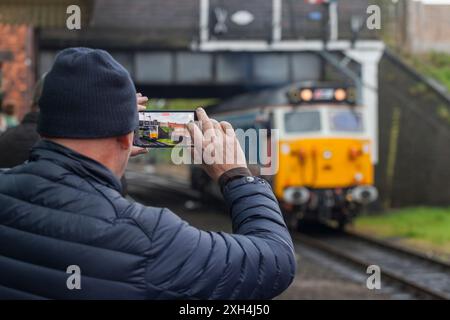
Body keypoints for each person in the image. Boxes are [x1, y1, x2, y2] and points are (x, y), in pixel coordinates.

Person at [0, 48, 295, 299]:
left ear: (42, 123)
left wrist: (109, 155)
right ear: (128, 137)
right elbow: (276, 260)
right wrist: (236, 175)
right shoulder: (150, 238)